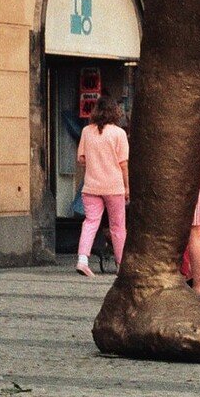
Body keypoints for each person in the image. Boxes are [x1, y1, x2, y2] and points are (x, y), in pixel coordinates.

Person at [75, 95, 130, 277]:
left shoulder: (86, 132)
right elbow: (123, 164)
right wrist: (127, 187)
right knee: (117, 226)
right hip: (114, 186)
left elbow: (81, 159)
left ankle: (82, 260)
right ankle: (120, 264)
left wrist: (94, 160)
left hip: (91, 186)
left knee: (90, 222)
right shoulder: (119, 133)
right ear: (115, 112)